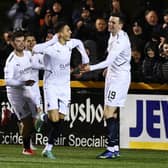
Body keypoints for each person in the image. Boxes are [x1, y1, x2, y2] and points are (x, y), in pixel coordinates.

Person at [33, 21, 89, 159]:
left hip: (65, 86)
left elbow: (80, 43)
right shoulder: (51, 47)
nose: (70, 32)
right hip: (51, 85)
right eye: (68, 30)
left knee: (61, 120)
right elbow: (35, 49)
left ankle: (48, 149)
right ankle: (43, 117)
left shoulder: (70, 43)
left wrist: (85, 57)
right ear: (60, 33)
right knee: (54, 118)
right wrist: (51, 40)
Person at [82, 13, 131, 159]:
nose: (110, 24)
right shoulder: (113, 36)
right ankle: (114, 148)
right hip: (112, 76)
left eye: (114, 23)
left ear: (120, 25)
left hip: (119, 79)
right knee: (111, 113)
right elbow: (112, 60)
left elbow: (109, 60)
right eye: (109, 22)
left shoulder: (121, 40)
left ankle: (111, 149)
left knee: (108, 112)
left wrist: (90, 68)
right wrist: (108, 70)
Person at [4, 31, 38, 155]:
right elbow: (8, 81)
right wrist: (23, 83)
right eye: (18, 41)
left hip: (26, 90)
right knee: (27, 121)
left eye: (22, 40)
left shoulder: (28, 54)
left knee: (35, 117)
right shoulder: (11, 61)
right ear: (12, 43)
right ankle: (26, 148)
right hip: (16, 94)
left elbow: (35, 65)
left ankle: (10, 115)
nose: (21, 43)